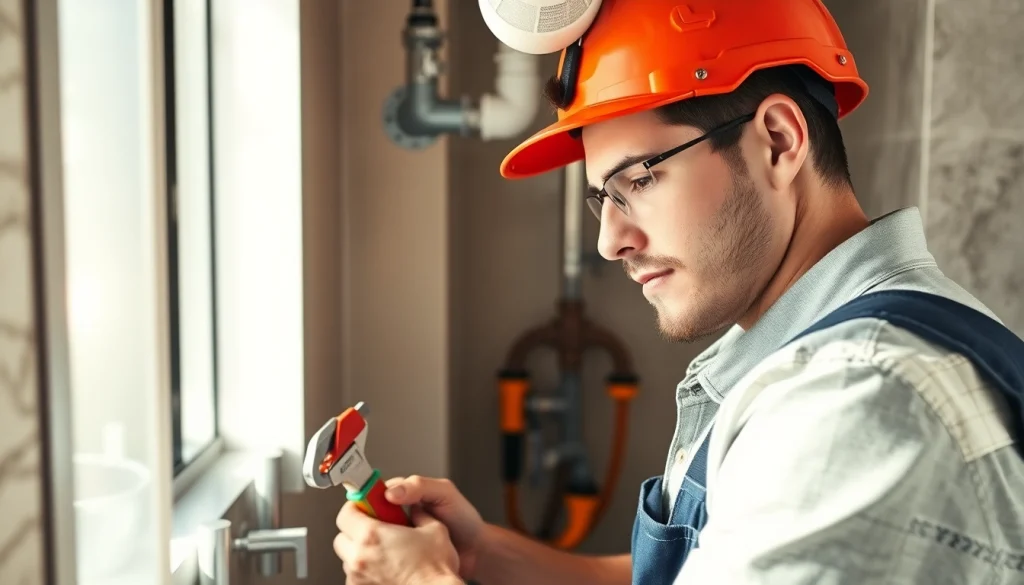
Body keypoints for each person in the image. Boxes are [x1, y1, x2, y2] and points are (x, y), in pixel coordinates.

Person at [332, 0, 1024, 583]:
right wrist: (484, 553)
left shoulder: (859, 401)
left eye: (640, 179)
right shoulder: (809, 353)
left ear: (779, 141)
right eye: (604, 196)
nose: (611, 240)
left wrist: (423, 577)